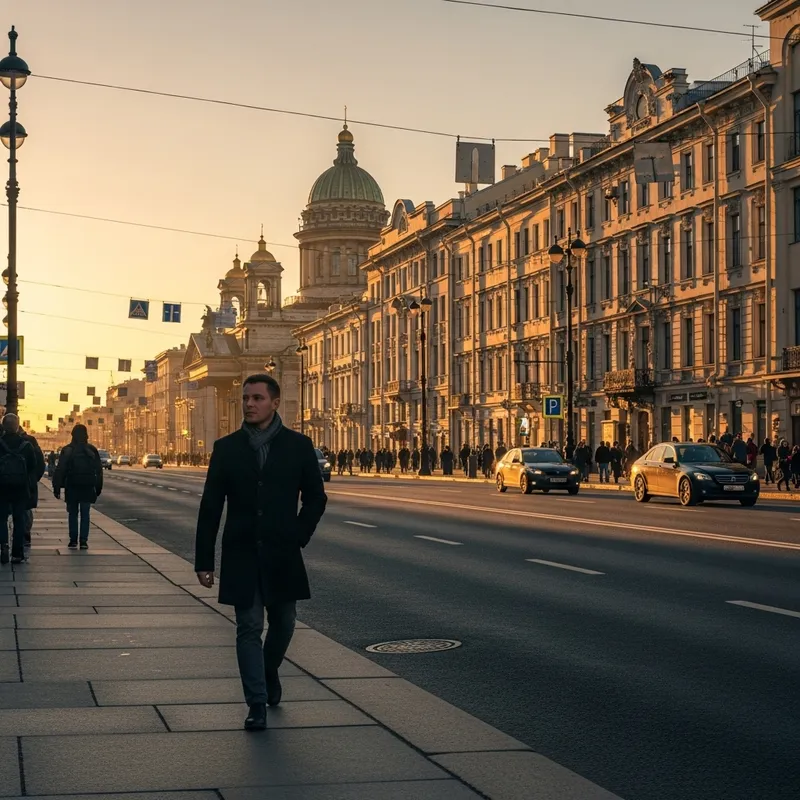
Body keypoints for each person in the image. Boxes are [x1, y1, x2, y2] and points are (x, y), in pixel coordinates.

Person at [195, 374, 327, 732]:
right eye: (246, 399)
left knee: (284, 623)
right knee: (248, 627)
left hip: (283, 551)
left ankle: (268, 672)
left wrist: (298, 535)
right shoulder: (227, 448)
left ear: (274, 403)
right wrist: (204, 562)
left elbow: (316, 497)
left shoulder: (298, 446)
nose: (249, 404)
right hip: (241, 552)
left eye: (256, 398)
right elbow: (210, 508)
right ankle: (256, 703)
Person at [52, 424, 103, 550]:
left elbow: (60, 469)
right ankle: (84, 541)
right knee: (85, 514)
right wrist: (98, 487)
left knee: (72, 513)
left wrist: (57, 487)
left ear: (73, 435)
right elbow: (99, 470)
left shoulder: (68, 450)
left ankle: (73, 540)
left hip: (72, 486)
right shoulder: (92, 450)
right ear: (86, 435)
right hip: (87, 486)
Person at [0, 414, 38, 564]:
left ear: (3, 426)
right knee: (19, 519)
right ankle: (17, 553)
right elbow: (33, 467)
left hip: (2, 487)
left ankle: (3, 546)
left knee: (1, 519)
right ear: (17, 426)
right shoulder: (26, 445)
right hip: (21, 488)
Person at [19, 426, 45, 546]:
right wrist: (34, 478)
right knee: (26, 509)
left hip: (7, 482)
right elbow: (40, 463)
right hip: (27, 482)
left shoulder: (3, 440)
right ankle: (25, 533)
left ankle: (7, 541)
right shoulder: (31, 441)